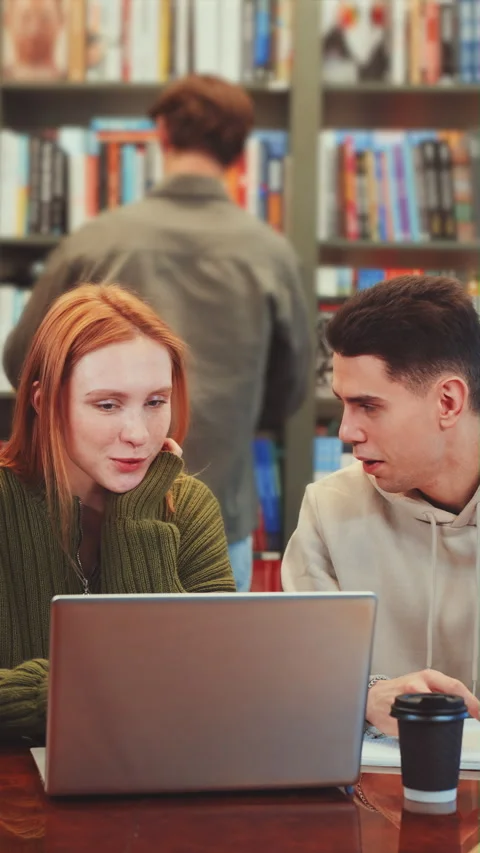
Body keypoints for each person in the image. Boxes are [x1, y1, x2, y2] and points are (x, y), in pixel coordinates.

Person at [2, 73, 311, 593]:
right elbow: (290, 391)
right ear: (240, 152)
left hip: (80, 513)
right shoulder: (271, 254)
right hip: (221, 506)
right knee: (200, 668)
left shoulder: (98, 240)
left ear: (161, 134)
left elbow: (24, 360)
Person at [0, 283, 235, 743]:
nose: (137, 434)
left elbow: (213, 689)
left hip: (153, 783)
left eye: (155, 403)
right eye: (107, 405)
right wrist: (103, 685)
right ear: (44, 402)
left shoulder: (187, 506)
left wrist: (138, 521)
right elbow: (165, 685)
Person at [282, 274, 480, 735]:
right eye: (343, 406)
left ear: (448, 401)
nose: (346, 432)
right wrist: (367, 696)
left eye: (368, 406)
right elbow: (299, 681)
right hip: (373, 792)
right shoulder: (329, 509)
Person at [2, 0, 67, 81]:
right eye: (26, 18)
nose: (35, 29)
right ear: (7, 20)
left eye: (45, 19)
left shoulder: (73, 80)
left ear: (61, 21)